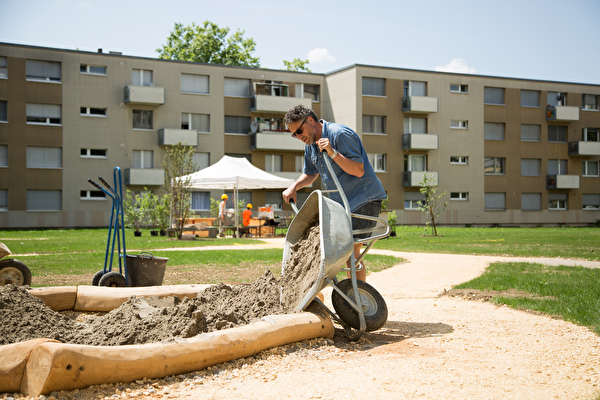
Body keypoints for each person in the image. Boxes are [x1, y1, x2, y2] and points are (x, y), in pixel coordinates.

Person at [282, 105, 387, 281]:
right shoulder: (311, 144)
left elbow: (359, 170)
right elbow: (310, 174)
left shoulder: (339, 134)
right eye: (294, 135)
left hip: (364, 200)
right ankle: (353, 294)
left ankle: (358, 297)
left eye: (299, 131)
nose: (299, 137)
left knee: (350, 251)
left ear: (310, 120)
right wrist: (294, 187)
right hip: (344, 205)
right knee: (344, 253)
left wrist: (332, 153)